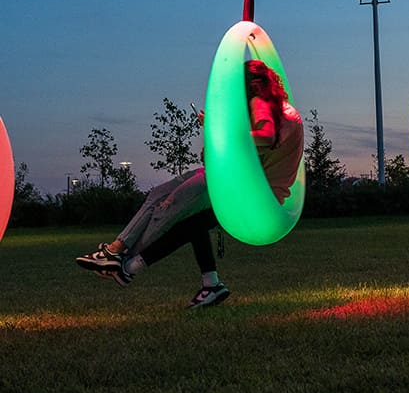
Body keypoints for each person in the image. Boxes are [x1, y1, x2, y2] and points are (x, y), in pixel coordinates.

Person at [76, 60, 304, 307]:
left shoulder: (260, 103)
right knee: (173, 207)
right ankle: (208, 284)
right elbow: (232, 157)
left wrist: (220, 129)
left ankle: (122, 261)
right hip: (249, 189)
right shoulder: (281, 109)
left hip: (253, 197)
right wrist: (216, 131)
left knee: (169, 206)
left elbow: (265, 136)